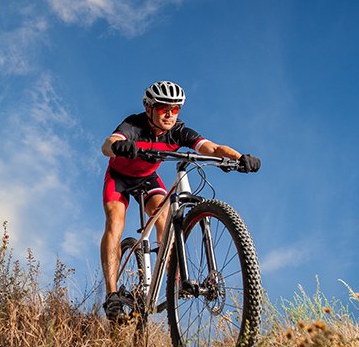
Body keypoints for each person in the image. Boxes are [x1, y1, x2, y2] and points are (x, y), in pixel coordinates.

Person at [100, 81, 261, 321]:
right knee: (115, 221)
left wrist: (239, 158)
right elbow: (107, 145)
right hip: (120, 178)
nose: (169, 114)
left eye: (175, 109)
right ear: (149, 108)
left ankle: (171, 280)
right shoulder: (134, 124)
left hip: (147, 178)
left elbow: (213, 148)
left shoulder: (179, 132)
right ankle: (112, 294)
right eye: (163, 107)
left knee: (164, 216)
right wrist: (119, 146)